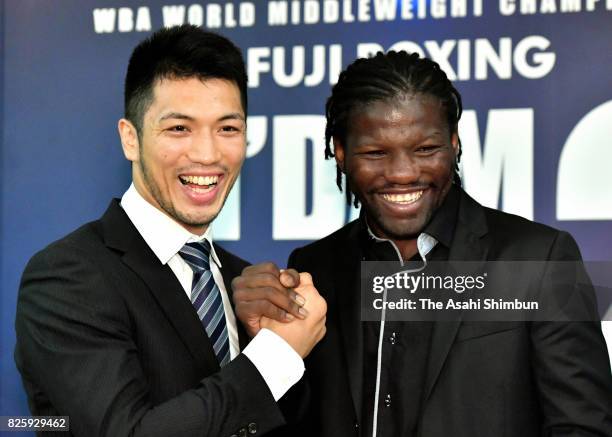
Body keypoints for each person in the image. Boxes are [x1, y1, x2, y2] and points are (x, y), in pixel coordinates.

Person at [232, 51, 612, 437]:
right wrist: (262, 343)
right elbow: (298, 422)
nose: (403, 173)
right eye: (375, 153)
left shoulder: (537, 259)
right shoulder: (317, 268)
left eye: (426, 149)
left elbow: (583, 427)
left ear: (454, 143)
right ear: (341, 153)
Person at [14, 25, 326, 437]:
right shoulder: (67, 277)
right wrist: (275, 355)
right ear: (131, 138)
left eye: (227, 128)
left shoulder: (241, 286)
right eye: (179, 128)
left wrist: (260, 338)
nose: (207, 153)